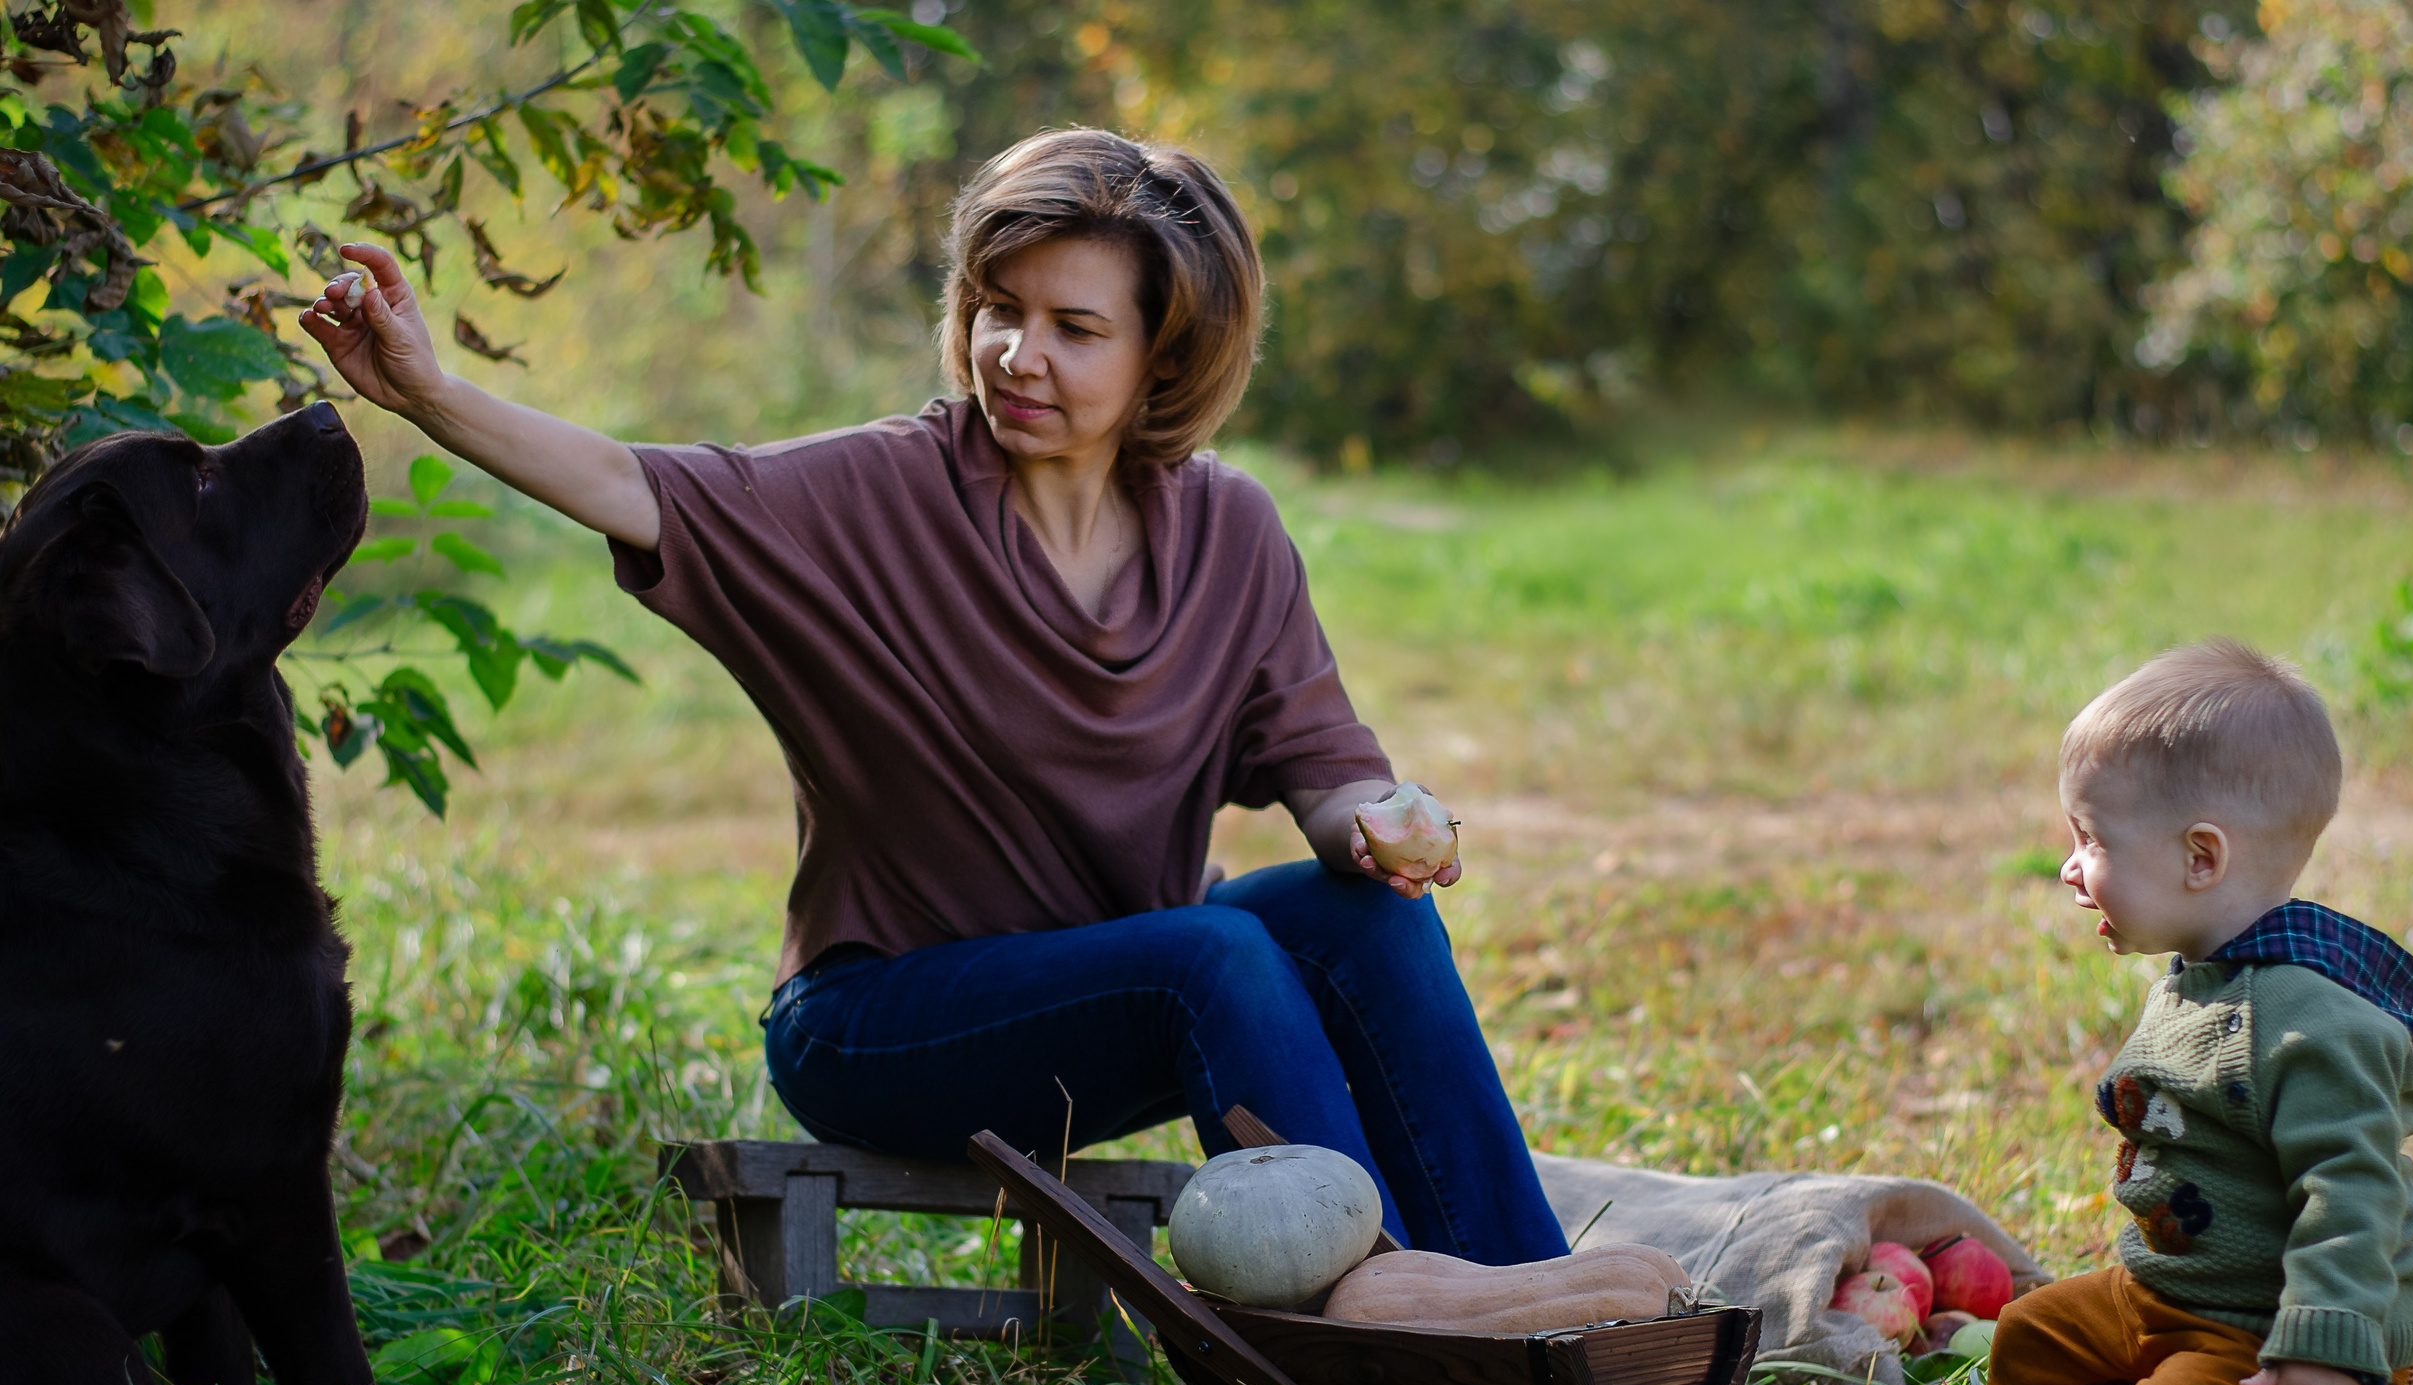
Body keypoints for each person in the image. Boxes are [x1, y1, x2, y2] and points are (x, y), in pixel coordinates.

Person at [301, 128, 1568, 1264]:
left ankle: (1531, 1298)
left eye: (1075, 329)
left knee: (1366, 919)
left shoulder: (1227, 530)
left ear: (1162, 355)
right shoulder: (877, 493)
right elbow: (635, 485)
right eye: (996, 308)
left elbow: (1322, 763)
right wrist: (427, 391)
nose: (1016, 355)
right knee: (1213, 943)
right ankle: (1372, 1315)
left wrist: (1385, 824)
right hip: (878, 1029)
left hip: (1115, 1007)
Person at [1983, 639, 2413, 1385]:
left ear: (2199, 857)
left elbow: (2357, 1191)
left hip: (2275, 1326)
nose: (2067, 865)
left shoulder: (2311, 1025)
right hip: (2176, 1292)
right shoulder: (2206, 969)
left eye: (2088, 838)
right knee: (2027, 1334)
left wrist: (2326, 1343)